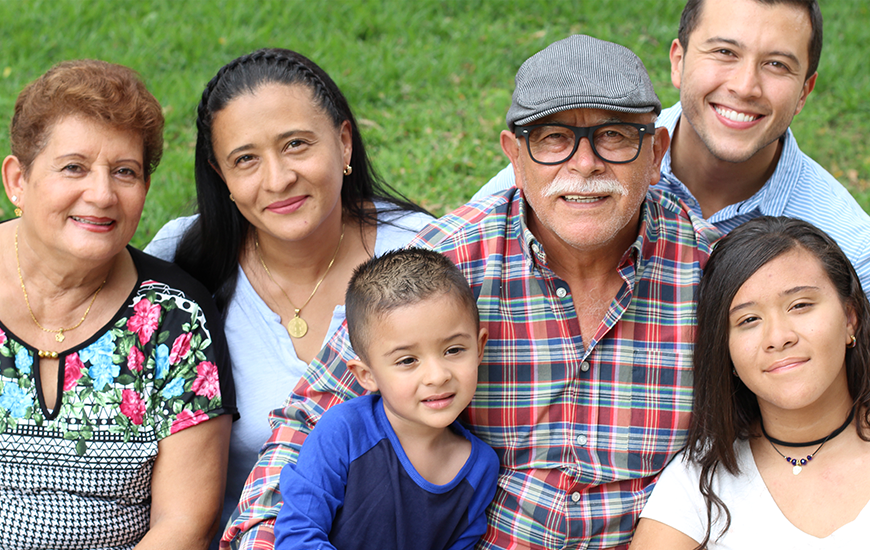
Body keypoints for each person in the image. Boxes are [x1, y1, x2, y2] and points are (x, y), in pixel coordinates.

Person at [224, 35, 720, 550]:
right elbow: (307, 423)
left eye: (615, 136)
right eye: (552, 138)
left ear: (657, 151)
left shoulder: (714, 277)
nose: (585, 164)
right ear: (514, 154)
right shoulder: (448, 262)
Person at [144, 48, 433, 546]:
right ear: (221, 176)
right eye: (246, 159)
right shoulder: (180, 260)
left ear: (344, 144)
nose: (277, 179)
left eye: (296, 144)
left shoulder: (420, 252)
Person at [0, 59, 235, 549]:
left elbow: (185, 524)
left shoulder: (176, 320)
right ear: (17, 180)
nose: (102, 194)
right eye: (74, 167)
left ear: (145, 189)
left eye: (124, 172)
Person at [475, 0, 870, 289]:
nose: (745, 86)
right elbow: (460, 247)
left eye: (777, 65)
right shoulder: (582, 155)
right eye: (724, 52)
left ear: (805, 91)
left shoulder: (850, 248)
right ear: (678, 61)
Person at [630, 216, 870, 549]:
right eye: (748, 319)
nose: (778, 337)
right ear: (725, 350)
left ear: (850, 319)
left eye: (800, 305)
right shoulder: (700, 480)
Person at [274, 248, 499, 550]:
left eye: (454, 350)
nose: (437, 375)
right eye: (407, 360)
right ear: (367, 375)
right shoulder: (344, 432)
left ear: (480, 347)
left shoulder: (480, 468)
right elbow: (297, 534)